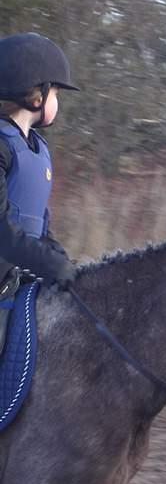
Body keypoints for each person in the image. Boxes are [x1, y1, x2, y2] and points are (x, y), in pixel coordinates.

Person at [0, 32, 78, 291]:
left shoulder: (37, 149)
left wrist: (60, 259)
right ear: (36, 98)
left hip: (15, 276)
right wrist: (49, 265)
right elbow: (2, 231)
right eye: (55, 93)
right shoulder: (2, 147)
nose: (58, 102)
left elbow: (37, 226)